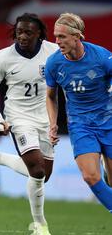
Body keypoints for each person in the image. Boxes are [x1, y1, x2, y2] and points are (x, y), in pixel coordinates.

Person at [0, 13, 59, 235]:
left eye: (28, 32)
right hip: (18, 117)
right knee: (37, 170)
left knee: (44, 175)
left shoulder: (53, 52)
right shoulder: (4, 57)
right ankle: (40, 225)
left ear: (39, 32)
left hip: (44, 117)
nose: (22, 36)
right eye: (19, 32)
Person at [46, 12, 112, 214]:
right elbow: (50, 96)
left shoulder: (102, 57)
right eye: (56, 36)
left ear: (77, 36)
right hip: (80, 125)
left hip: (108, 122)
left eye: (62, 37)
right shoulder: (54, 63)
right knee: (90, 176)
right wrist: (53, 123)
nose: (57, 41)